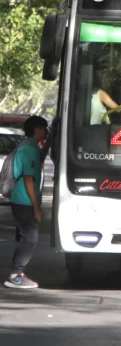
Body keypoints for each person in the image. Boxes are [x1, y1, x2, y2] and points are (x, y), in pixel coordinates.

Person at [4, 116, 50, 289]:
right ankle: (15, 275)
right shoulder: (29, 149)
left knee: (24, 237)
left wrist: (50, 141)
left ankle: (19, 272)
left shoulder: (29, 147)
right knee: (30, 238)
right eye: (45, 128)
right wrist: (36, 207)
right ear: (37, 128)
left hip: (20, 199)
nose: (46, 131)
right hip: (24, 201)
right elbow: (29, 179)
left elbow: (40, 159)